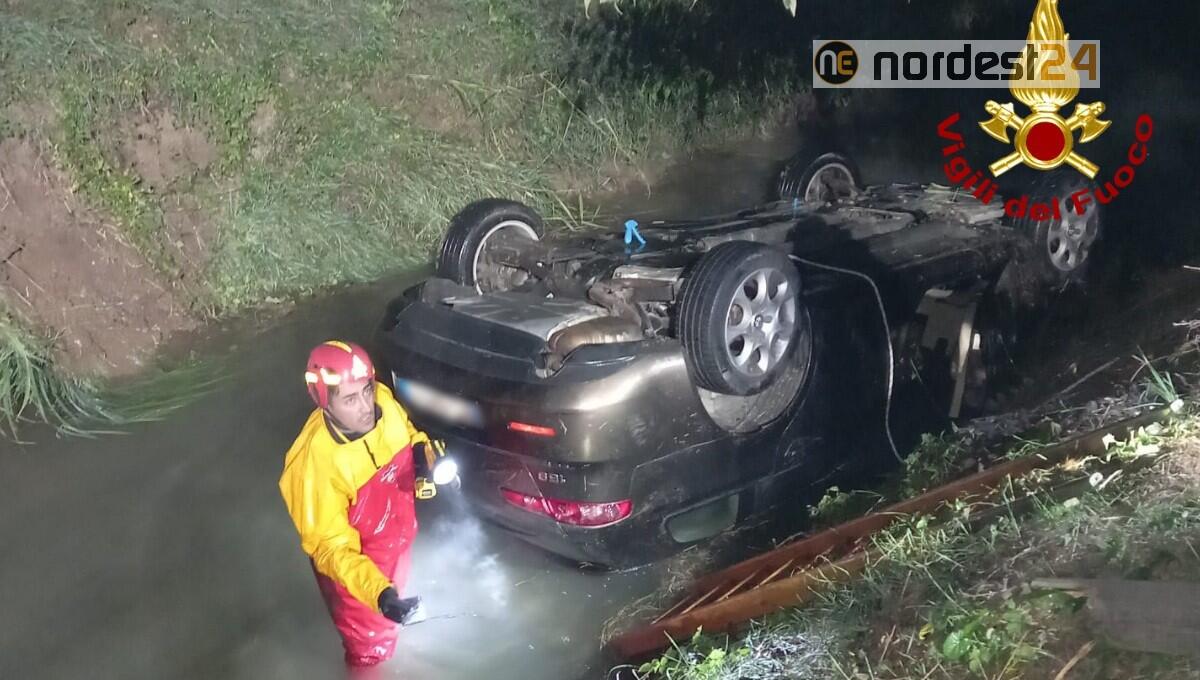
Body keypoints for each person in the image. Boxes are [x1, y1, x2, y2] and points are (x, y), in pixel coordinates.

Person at [279, 339, 437, 669]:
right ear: (324, 402)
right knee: (370, 657)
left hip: (395, 547)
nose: (366, 405)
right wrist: (381, 595)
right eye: (350, 399)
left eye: (366, 389)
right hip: (357, 582)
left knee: (393, 627)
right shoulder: (314, 466)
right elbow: (332, 549)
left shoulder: (383, 403)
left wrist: (424, 456)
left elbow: (409, 434)